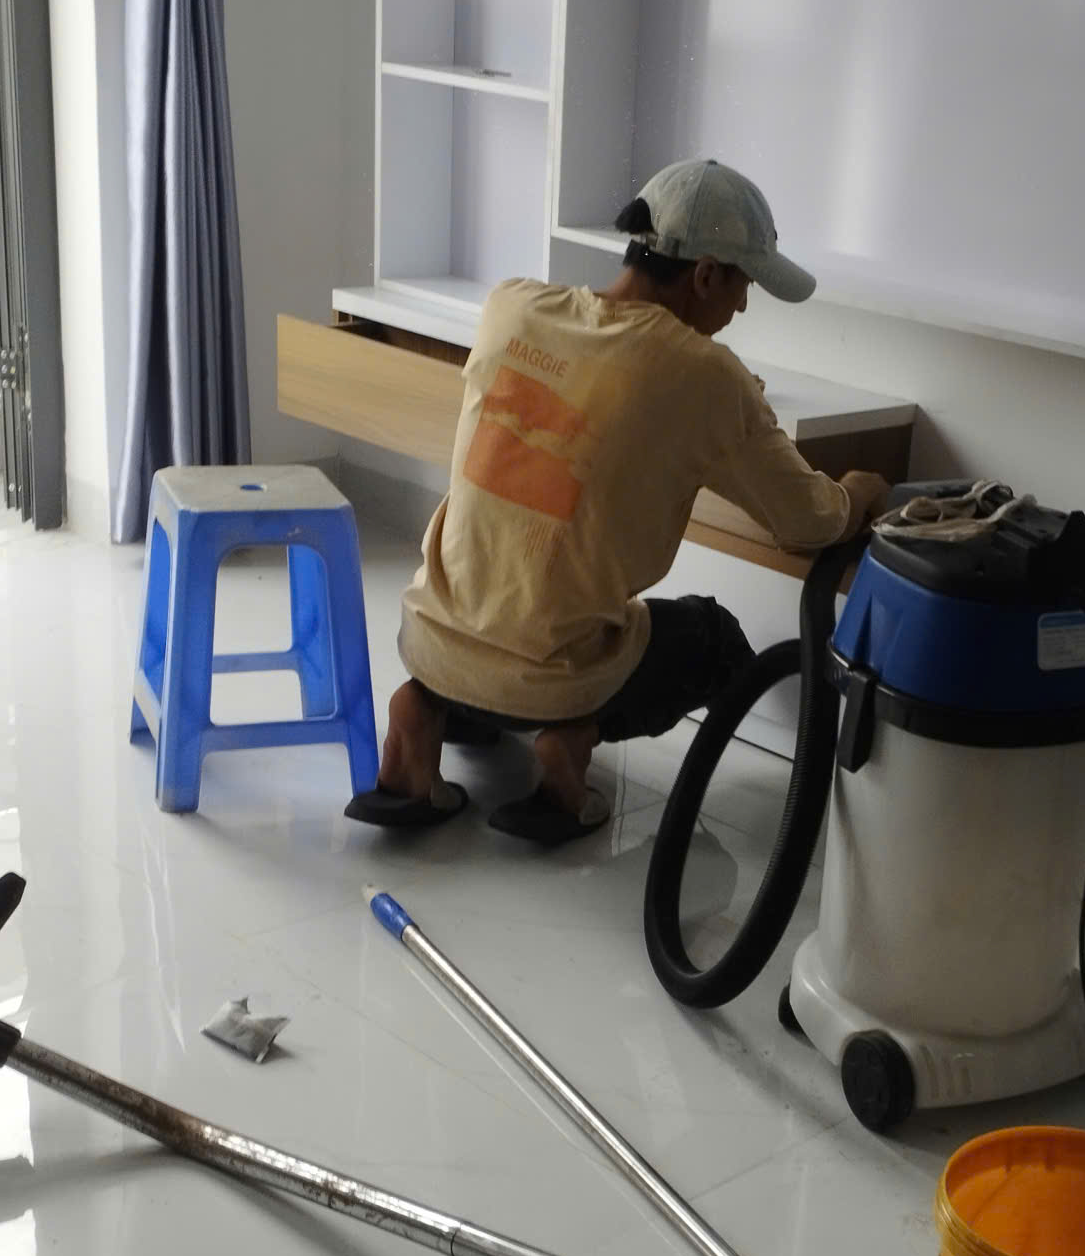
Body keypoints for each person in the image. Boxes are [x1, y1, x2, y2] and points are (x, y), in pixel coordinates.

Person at [348, 158, 892, 846]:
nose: (742, 308)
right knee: (715, 641)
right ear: (705, 275)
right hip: (548, 681)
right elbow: (807, 521)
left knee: (500, 632)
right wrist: (859, 491)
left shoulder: (512, 305)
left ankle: (421, 711)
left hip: (429, 643)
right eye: (744, 284)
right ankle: (573, 738)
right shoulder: (706, 377)